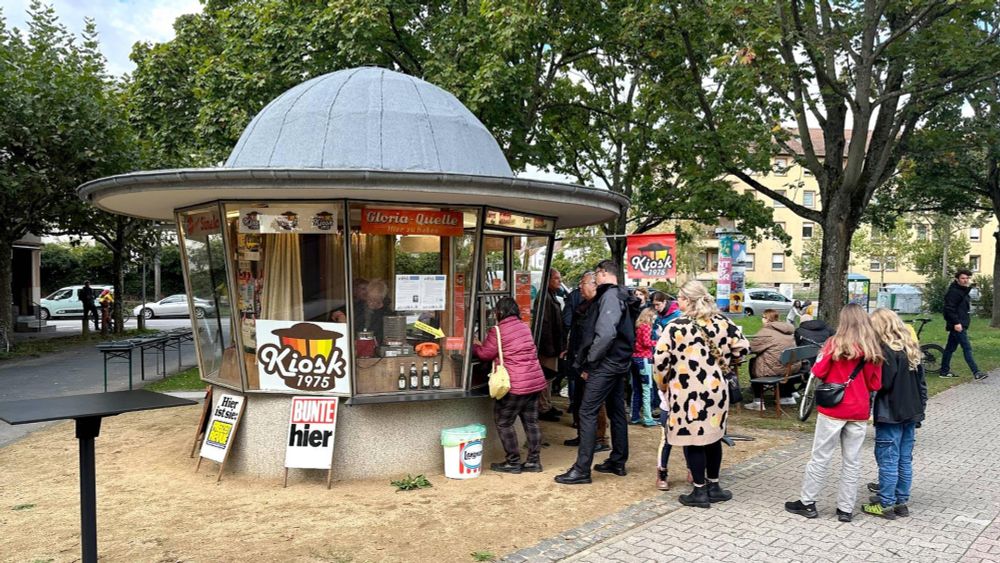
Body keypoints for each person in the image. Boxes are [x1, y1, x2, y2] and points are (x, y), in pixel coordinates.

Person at [654, 280, 749, 507]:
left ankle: (699, 491)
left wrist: (663, 385)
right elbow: (743, 347)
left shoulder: (675, 327)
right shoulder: (723, 322)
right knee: (713, 437)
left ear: (688, 300)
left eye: (680, 298)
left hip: (687, 393)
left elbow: (660, 361)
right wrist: (728, 361)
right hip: (717, 391)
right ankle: (714, 486)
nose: (678, 302)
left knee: (694, 440)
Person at [785, 303, 883, 523]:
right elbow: (875, 384)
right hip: (858, 409)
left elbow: (817, 371)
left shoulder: (833, 344)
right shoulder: (873, 349)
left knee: (820, 456)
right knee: (852, 461)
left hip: (833, 408)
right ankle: (845, 509)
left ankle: (808, 502)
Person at [555, 260, 634, 485]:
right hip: (619, 362)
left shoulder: (609, 296)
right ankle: (617, 460)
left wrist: (590, 362)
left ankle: (582, 469)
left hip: (605, 364)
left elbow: (606, 334)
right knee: (617, 411)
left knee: (587, 411)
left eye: (595, 276)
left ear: (602, 274)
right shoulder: (622, 294)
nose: (593, 281)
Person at [862, 308, 927, 520]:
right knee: (904, 459)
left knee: (888, 458)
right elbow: (921, 384)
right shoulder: (910, 348)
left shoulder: (886, 351)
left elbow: (883, 384)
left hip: (890, 411)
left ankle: (885, 503)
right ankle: (901, 501)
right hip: (911, 410)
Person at [473, 297, 549, 473]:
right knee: (531, 422)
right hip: (534, 381)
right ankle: (533, 462)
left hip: (515, 385)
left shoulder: (497, 331)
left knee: (503, 422)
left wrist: (475, 346)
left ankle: (513, 462)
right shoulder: (524, 327)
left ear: (499, 312)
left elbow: (485, 354)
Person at [563, 272, 611, 453]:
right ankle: (584, 435)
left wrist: (590, 363)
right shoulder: (585, 306)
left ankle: (600, 438)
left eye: (582, 284)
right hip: (578, 358)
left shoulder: (600, 306)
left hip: (592, 363)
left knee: (595, 402)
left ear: (594, 285)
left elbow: (598, 338)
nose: (580, 288)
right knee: (579, 399)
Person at [747, 309, 801, 410]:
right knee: (777, 362)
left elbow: (752, 348)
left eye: (763, 317)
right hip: (791, 368)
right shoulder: (787, 330)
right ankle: (786, 396)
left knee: (753, 362)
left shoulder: (766, 332)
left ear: (767, 319)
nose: (762, 319)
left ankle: (758, 400)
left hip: (774, 370)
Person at [940, 269, 988, 380]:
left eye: (967, 278)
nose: (965, 280)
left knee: (950, 349)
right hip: (958, 325)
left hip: (961, 323)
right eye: (962, 278)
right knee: (967, 348)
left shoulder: (963, 291)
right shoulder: (954, 292)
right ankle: (976, 372)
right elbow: (949, 309)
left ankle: (944, 371)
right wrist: (956, 323)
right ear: (957, 279)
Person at [537, 269, 566, 421]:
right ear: (548, 280)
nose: (559, 282)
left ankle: (547, 404)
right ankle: (543, 407)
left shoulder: (551, 296)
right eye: (556, 279)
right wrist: (550, 348)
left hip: (553, 346)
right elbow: (546, 325)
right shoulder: (545, 298)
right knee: (545, 376)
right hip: (547, 347)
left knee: (549, 377)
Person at [630, 308, 658, 427]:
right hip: (644, 359)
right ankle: (647, 418)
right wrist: (658, 341)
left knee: (636, 389)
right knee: (647, 388)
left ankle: (634, 416)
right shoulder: (646, 327)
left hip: (634, 359)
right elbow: (646, 343)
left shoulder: (638, 327)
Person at [353, 279, 393, 344]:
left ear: (382, 298)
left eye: (375, 300)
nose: (371, 303)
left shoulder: (388, 315)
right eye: (369, 299)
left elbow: (388, 338)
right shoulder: (357, 308)